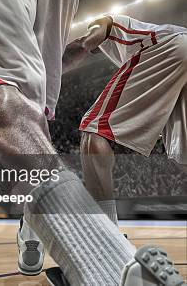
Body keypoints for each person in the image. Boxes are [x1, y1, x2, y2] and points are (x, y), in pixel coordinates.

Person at [0, 0, 184, 285]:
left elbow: (104, 27)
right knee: (31, 105)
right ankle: (36, 223)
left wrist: (90, 39)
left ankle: (108, 262)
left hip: (163, 45)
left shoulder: (137, 34)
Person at [63, 14, 187, 225]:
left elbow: (90, 37)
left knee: (95, 128)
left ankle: (106, 232)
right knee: (183, 156)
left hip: (171, 46)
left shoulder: (111, 23)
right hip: (178, 56)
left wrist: (77, 49)